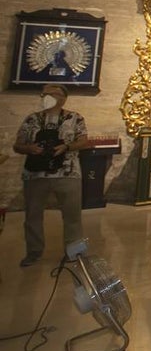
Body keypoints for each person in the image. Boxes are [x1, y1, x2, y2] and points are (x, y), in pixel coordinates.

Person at [14, 84, 91, 267]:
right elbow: (17, 145)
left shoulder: (74, 118)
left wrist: (66, 147)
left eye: (51, 94)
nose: (45, 96)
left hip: (67, 172)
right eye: (44, 94)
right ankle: (33, 251)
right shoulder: (32, 119)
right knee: (33, 215)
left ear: (62, 98)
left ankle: (74, 252)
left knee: (72, 215)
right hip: (36, 174)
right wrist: (30, 148)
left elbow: (83, 141)